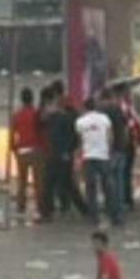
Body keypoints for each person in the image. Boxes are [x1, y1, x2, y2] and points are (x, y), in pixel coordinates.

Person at [40, 85, 87, 221]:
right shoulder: (60, 118)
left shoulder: (61, 119)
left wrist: (67, 151)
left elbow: (71, 138)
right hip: (60, 155)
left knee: (52, 183)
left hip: (58, 155)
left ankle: (48, 212)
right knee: (64, 184)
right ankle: (82, 209)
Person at [76, 97, 120, 226]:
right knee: (109, 187)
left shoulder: (80, 122)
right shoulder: (105, 119)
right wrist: (109, 152)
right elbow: (110, 137)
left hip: (88, 157)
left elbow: (80, 141)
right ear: (95, 106)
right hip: (103, 156)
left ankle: (93, 217)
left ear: (85, 107)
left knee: (91, 189)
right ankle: (114, 215)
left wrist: (79, 156)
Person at [11, 87, 44, 214]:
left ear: (21, 99)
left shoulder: (17, 115)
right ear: (32, 99)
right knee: (38, 181)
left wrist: (13, 148)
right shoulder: (36, 113)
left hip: (21, 150)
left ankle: (21, 206)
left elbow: (13, 134)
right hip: (36, 149)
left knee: (22, 181)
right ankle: (40, 207)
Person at [99, 89, 128, 219]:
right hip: (121, 148)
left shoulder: (102, 112)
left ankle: (112, 209)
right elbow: (126, 127)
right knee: (119, 180)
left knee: (108, 181)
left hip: (108, 150)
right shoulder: (119, 109)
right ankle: (120, 210)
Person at [119, 85, 140, 210]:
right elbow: (136, 124)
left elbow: (133, 125)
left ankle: (124, 199)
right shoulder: (128, 108)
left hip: (123, 145)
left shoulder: (125, 108)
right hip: (128, 144)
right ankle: (127, 199)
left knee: (122, 173)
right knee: (126, 173)